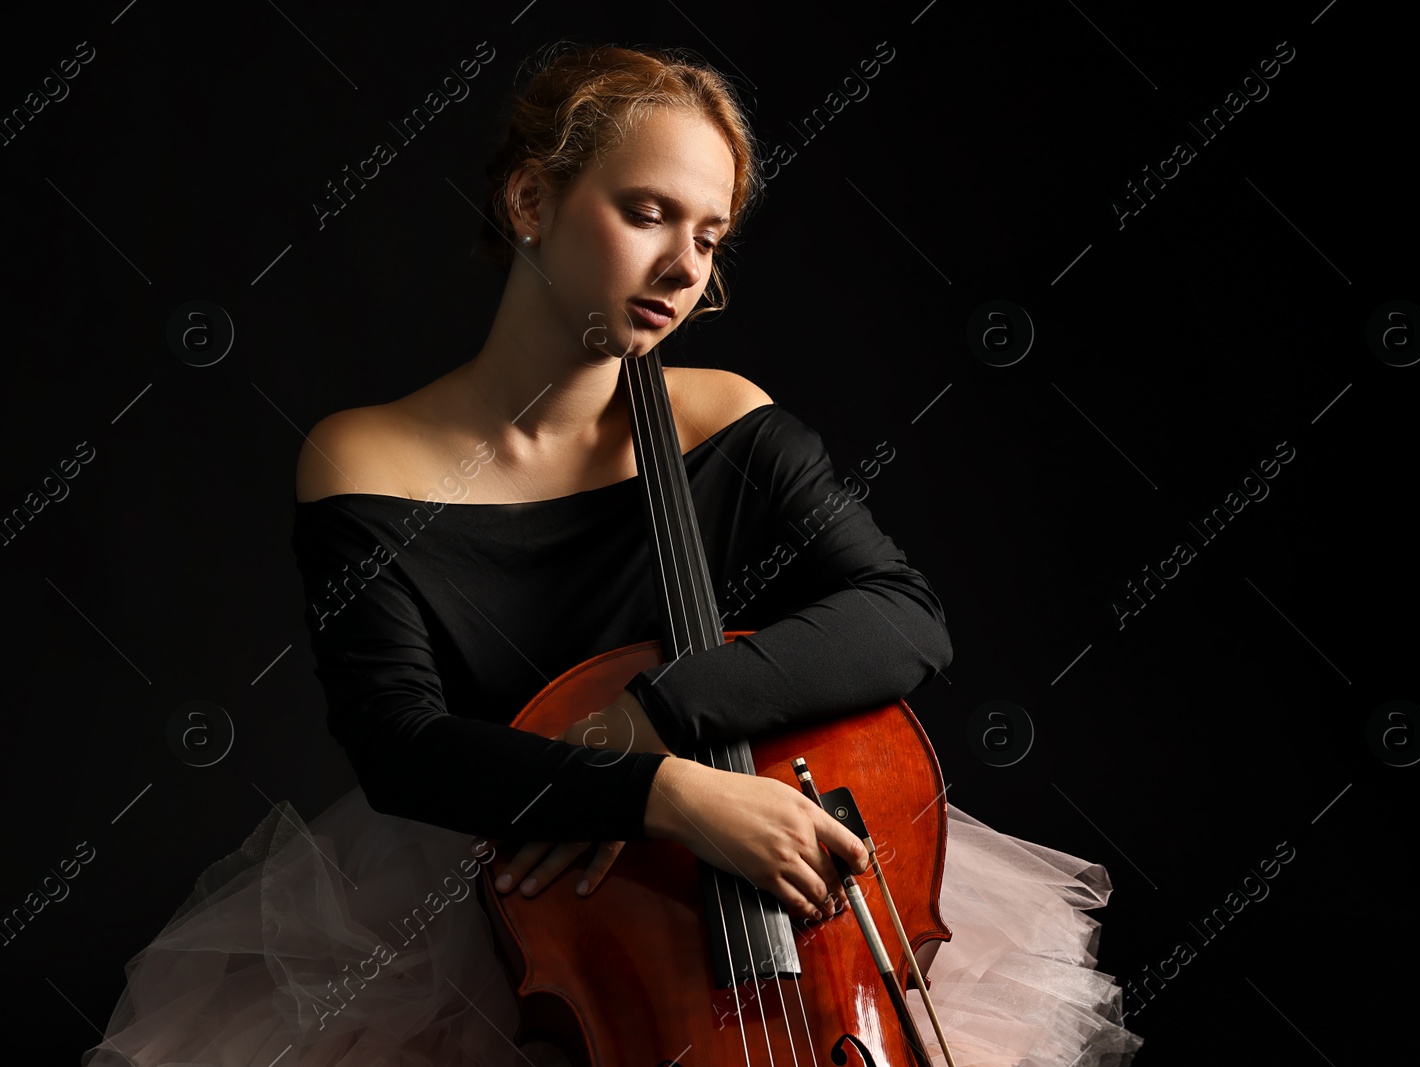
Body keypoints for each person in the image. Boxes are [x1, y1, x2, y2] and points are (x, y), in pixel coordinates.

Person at [81, 43, 1142, 1067]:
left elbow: (902, 616)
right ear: (531, 203)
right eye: (647, 213)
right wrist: (667, 794)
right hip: (524, 911)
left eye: (712, 235)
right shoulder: (366, 456)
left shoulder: (726, 417)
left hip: (770, 919)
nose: (683, 267)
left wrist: (656, 714)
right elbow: (397, 740)